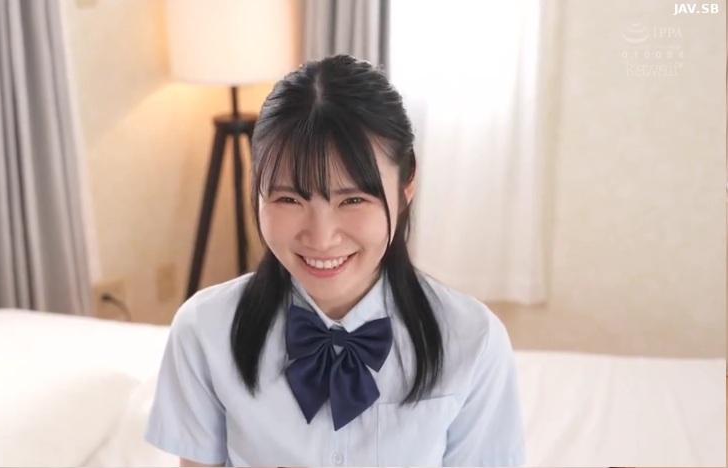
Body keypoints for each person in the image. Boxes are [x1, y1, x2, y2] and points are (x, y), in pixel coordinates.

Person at [144, 55, 525, 467]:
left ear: (406, 184)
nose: (321, 238)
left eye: (353, 200)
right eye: (289, 199)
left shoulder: (474, 340)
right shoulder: (203, 331)